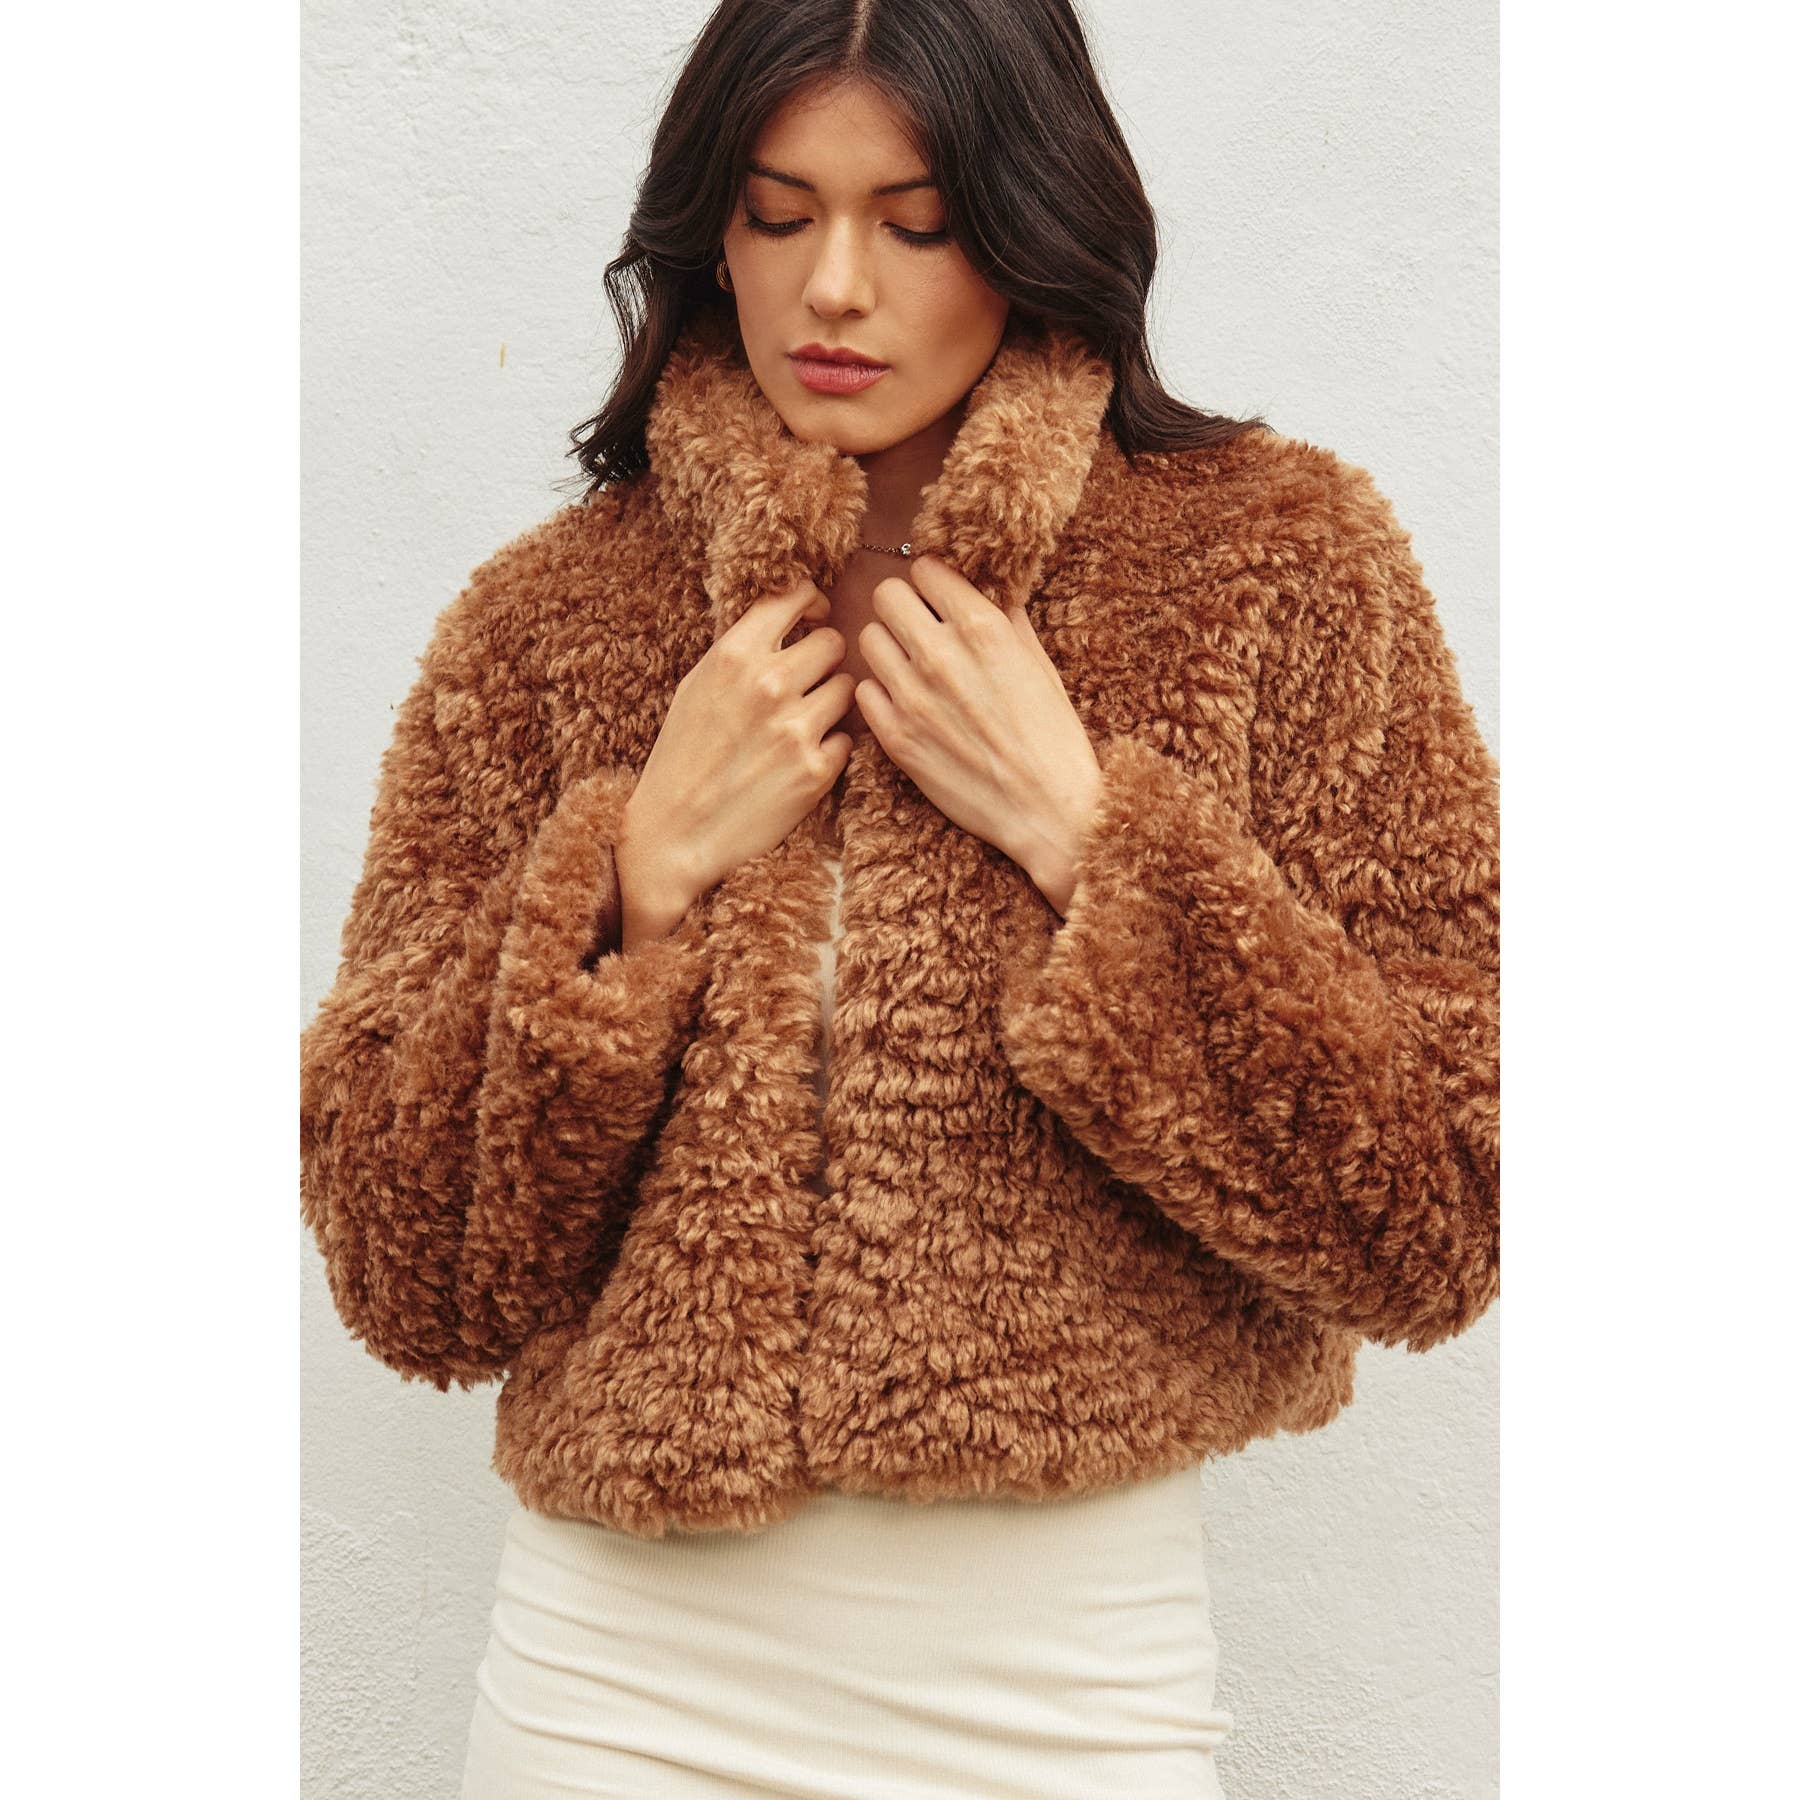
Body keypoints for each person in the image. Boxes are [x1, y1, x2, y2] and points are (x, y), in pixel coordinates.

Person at [298, 3, 1501, 1795]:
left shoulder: (1281, 571)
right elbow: (407, 1274)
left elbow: (1447, 1208)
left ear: (1032, 223)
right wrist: (635, 880)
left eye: (915, 221)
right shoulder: (549, 623)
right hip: (607, 1693)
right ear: (709, 226)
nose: (832, 287)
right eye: (777, 215)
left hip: (1064, 1694)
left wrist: (1097, 843)